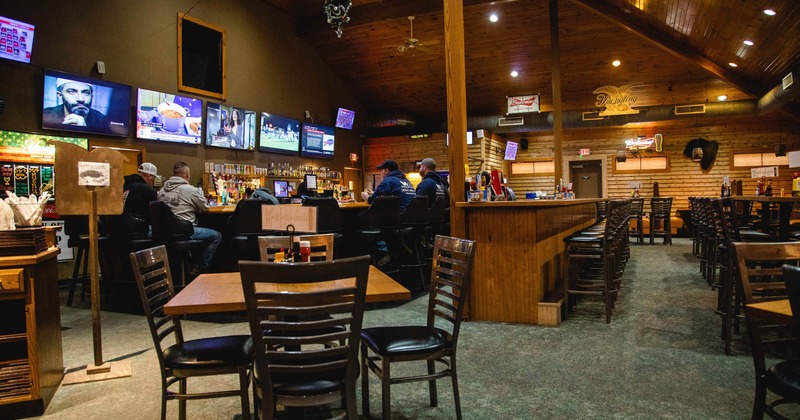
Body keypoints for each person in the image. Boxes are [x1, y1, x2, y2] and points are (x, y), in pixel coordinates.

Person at [157, 161, 222, 273]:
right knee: (216, 236)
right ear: (187, 175)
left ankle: (186, 266)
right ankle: (198, 268)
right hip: (185, 232)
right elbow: (205, 208)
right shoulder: (190, 190)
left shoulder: (161, 191)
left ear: (173, 174)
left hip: (164, 233)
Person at [42, 78, 109, 128]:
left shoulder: (103, 122)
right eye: (72, 92)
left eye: (86, 93)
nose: (80, 99)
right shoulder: (45, 115)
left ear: (91, 96)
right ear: (60, 95)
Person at [122, 162, 159, 237]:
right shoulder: (147, 189)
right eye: (153, 177)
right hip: (138, 229)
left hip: (122, 227)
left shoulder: (123, 186)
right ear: (149, 176)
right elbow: (156, 211)